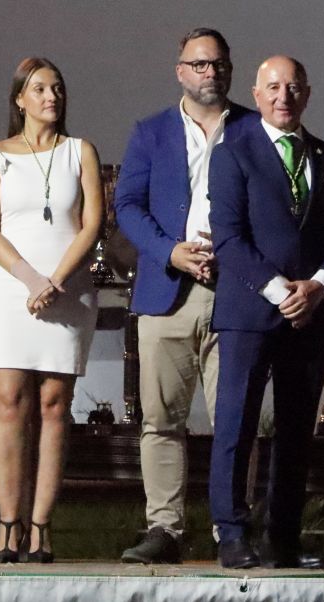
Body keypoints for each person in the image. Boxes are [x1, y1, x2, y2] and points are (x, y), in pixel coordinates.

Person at [207, 55, 324, 570]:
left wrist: (317, 287)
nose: (282, 96)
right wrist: (277, 290)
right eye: (272, 87)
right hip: (251, 311)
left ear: (307, 94)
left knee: (296, 431)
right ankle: (231, 533)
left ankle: (284, 539)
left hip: (311, 316)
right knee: (236, 425)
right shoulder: (232, 153)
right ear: (256, 91)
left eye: (293, 88)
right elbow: (227, 238)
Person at [114, 28, 256, 564]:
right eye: (198, 65)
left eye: (218, 64)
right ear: (180, 70)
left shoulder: (254, 128)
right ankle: (165, 529)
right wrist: (169, 251)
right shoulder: (150, 132)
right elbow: (127, 205)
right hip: (167, 290)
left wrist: (237, 254)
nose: (209, 73)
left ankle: (232, 529)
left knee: (235, 419)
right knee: (161, 419)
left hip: (235, 292)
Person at [0, 57, 102, 563]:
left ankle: (41, 527)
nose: (51, 96)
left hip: (68, 288)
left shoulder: (80, 151)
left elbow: (91, 224)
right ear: (19, 100)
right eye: (40, 89)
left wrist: (57, 280)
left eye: (58, 88)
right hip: (8, 289)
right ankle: (8, 524)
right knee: (7, 401)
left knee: (54, 405)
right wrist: (31, 279)